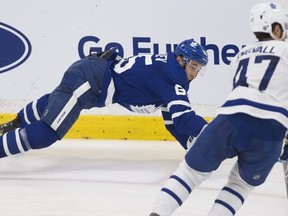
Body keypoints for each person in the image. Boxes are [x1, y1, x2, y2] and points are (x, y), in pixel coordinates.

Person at [149, 2, 288, 216]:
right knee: (239, 186)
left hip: (229, 120)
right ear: (275, 29)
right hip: (271, 130)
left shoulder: (240, 55)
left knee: (188, 173)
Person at [0, 38, 208, 158]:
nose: (194, 74)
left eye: (198, 69)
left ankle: (11, 126)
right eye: (192, 67)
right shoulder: (173, 77)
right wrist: (216, 133)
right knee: (47, 132)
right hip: (90, 81)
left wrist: (192, 146)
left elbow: (173, 122)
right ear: (181, 59)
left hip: (90, 74)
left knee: (56, 101)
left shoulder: (168, 69)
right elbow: (185, 119)